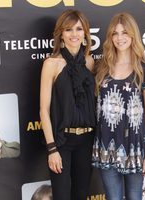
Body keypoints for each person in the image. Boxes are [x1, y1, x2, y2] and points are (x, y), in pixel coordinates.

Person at [92, 12, 145, 200]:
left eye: (124, 33)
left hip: (134, 147)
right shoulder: (101, 67)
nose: (119, 38)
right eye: (115, 33)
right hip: (106, 145)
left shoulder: (144, 69)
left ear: (133, 35)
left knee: (134, 197)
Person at [40, 10, 95, 200]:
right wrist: (52, 149)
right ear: (61, 34)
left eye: (79, 29)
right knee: (62, 196)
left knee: (81, 195)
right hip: (62, 142)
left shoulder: (89, 62)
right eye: (69, 29)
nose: (74, 34)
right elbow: (44, 111)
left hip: (87, 141)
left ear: (85, 33)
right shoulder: (51, 64)